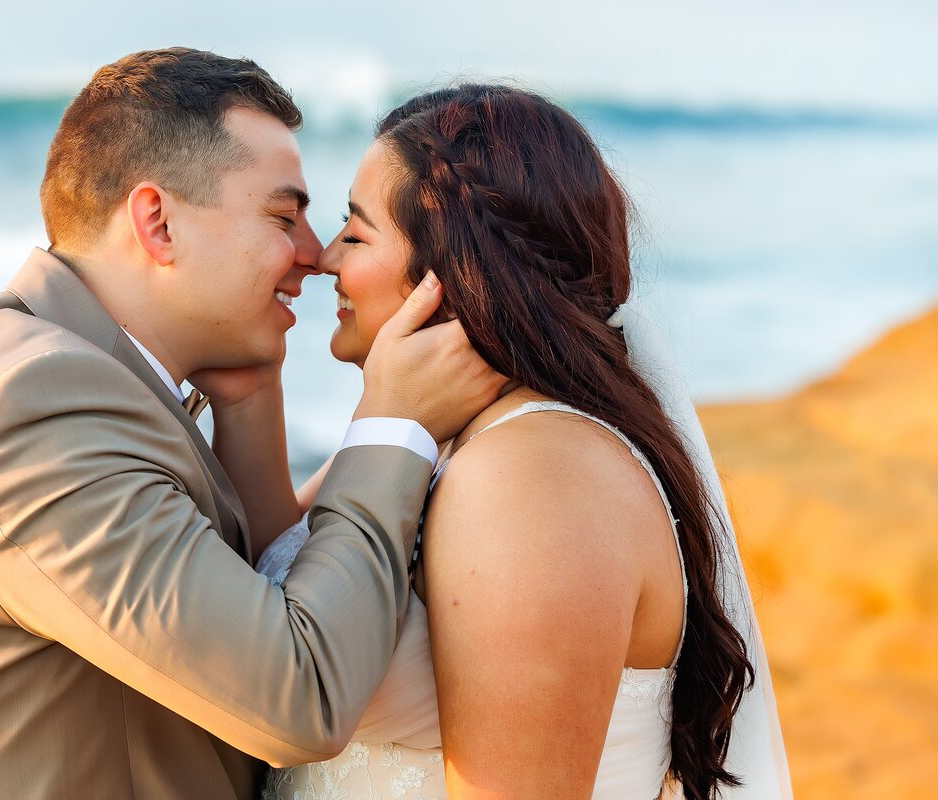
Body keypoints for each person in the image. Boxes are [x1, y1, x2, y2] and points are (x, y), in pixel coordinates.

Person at [0, 50, 505, 799]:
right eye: (284, 216)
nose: (316, 255)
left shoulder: (65, 371)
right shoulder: (37, 407)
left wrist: (245, 401)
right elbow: (300, 695)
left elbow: (240, 603)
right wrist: (391, 427)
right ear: (158, 223)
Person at [261, 85, 792, 799]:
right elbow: (260, 598)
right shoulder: (433, 444)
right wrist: (248, 377)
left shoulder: (533, 480)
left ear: (453, 273)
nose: (325, 259)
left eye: (355, 234)